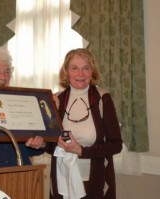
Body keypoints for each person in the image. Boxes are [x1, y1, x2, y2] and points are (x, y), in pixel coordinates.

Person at [50, 48, 123, 199]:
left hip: (93, 183)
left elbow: (116, 145)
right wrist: (39, 144)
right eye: (74, 68)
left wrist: (82, 151)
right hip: (62, 181)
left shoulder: (103, 99)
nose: (80, 74)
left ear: (92, 72)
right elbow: (51, 145)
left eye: (86, 68)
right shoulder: (56, 100)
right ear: (66, 72)